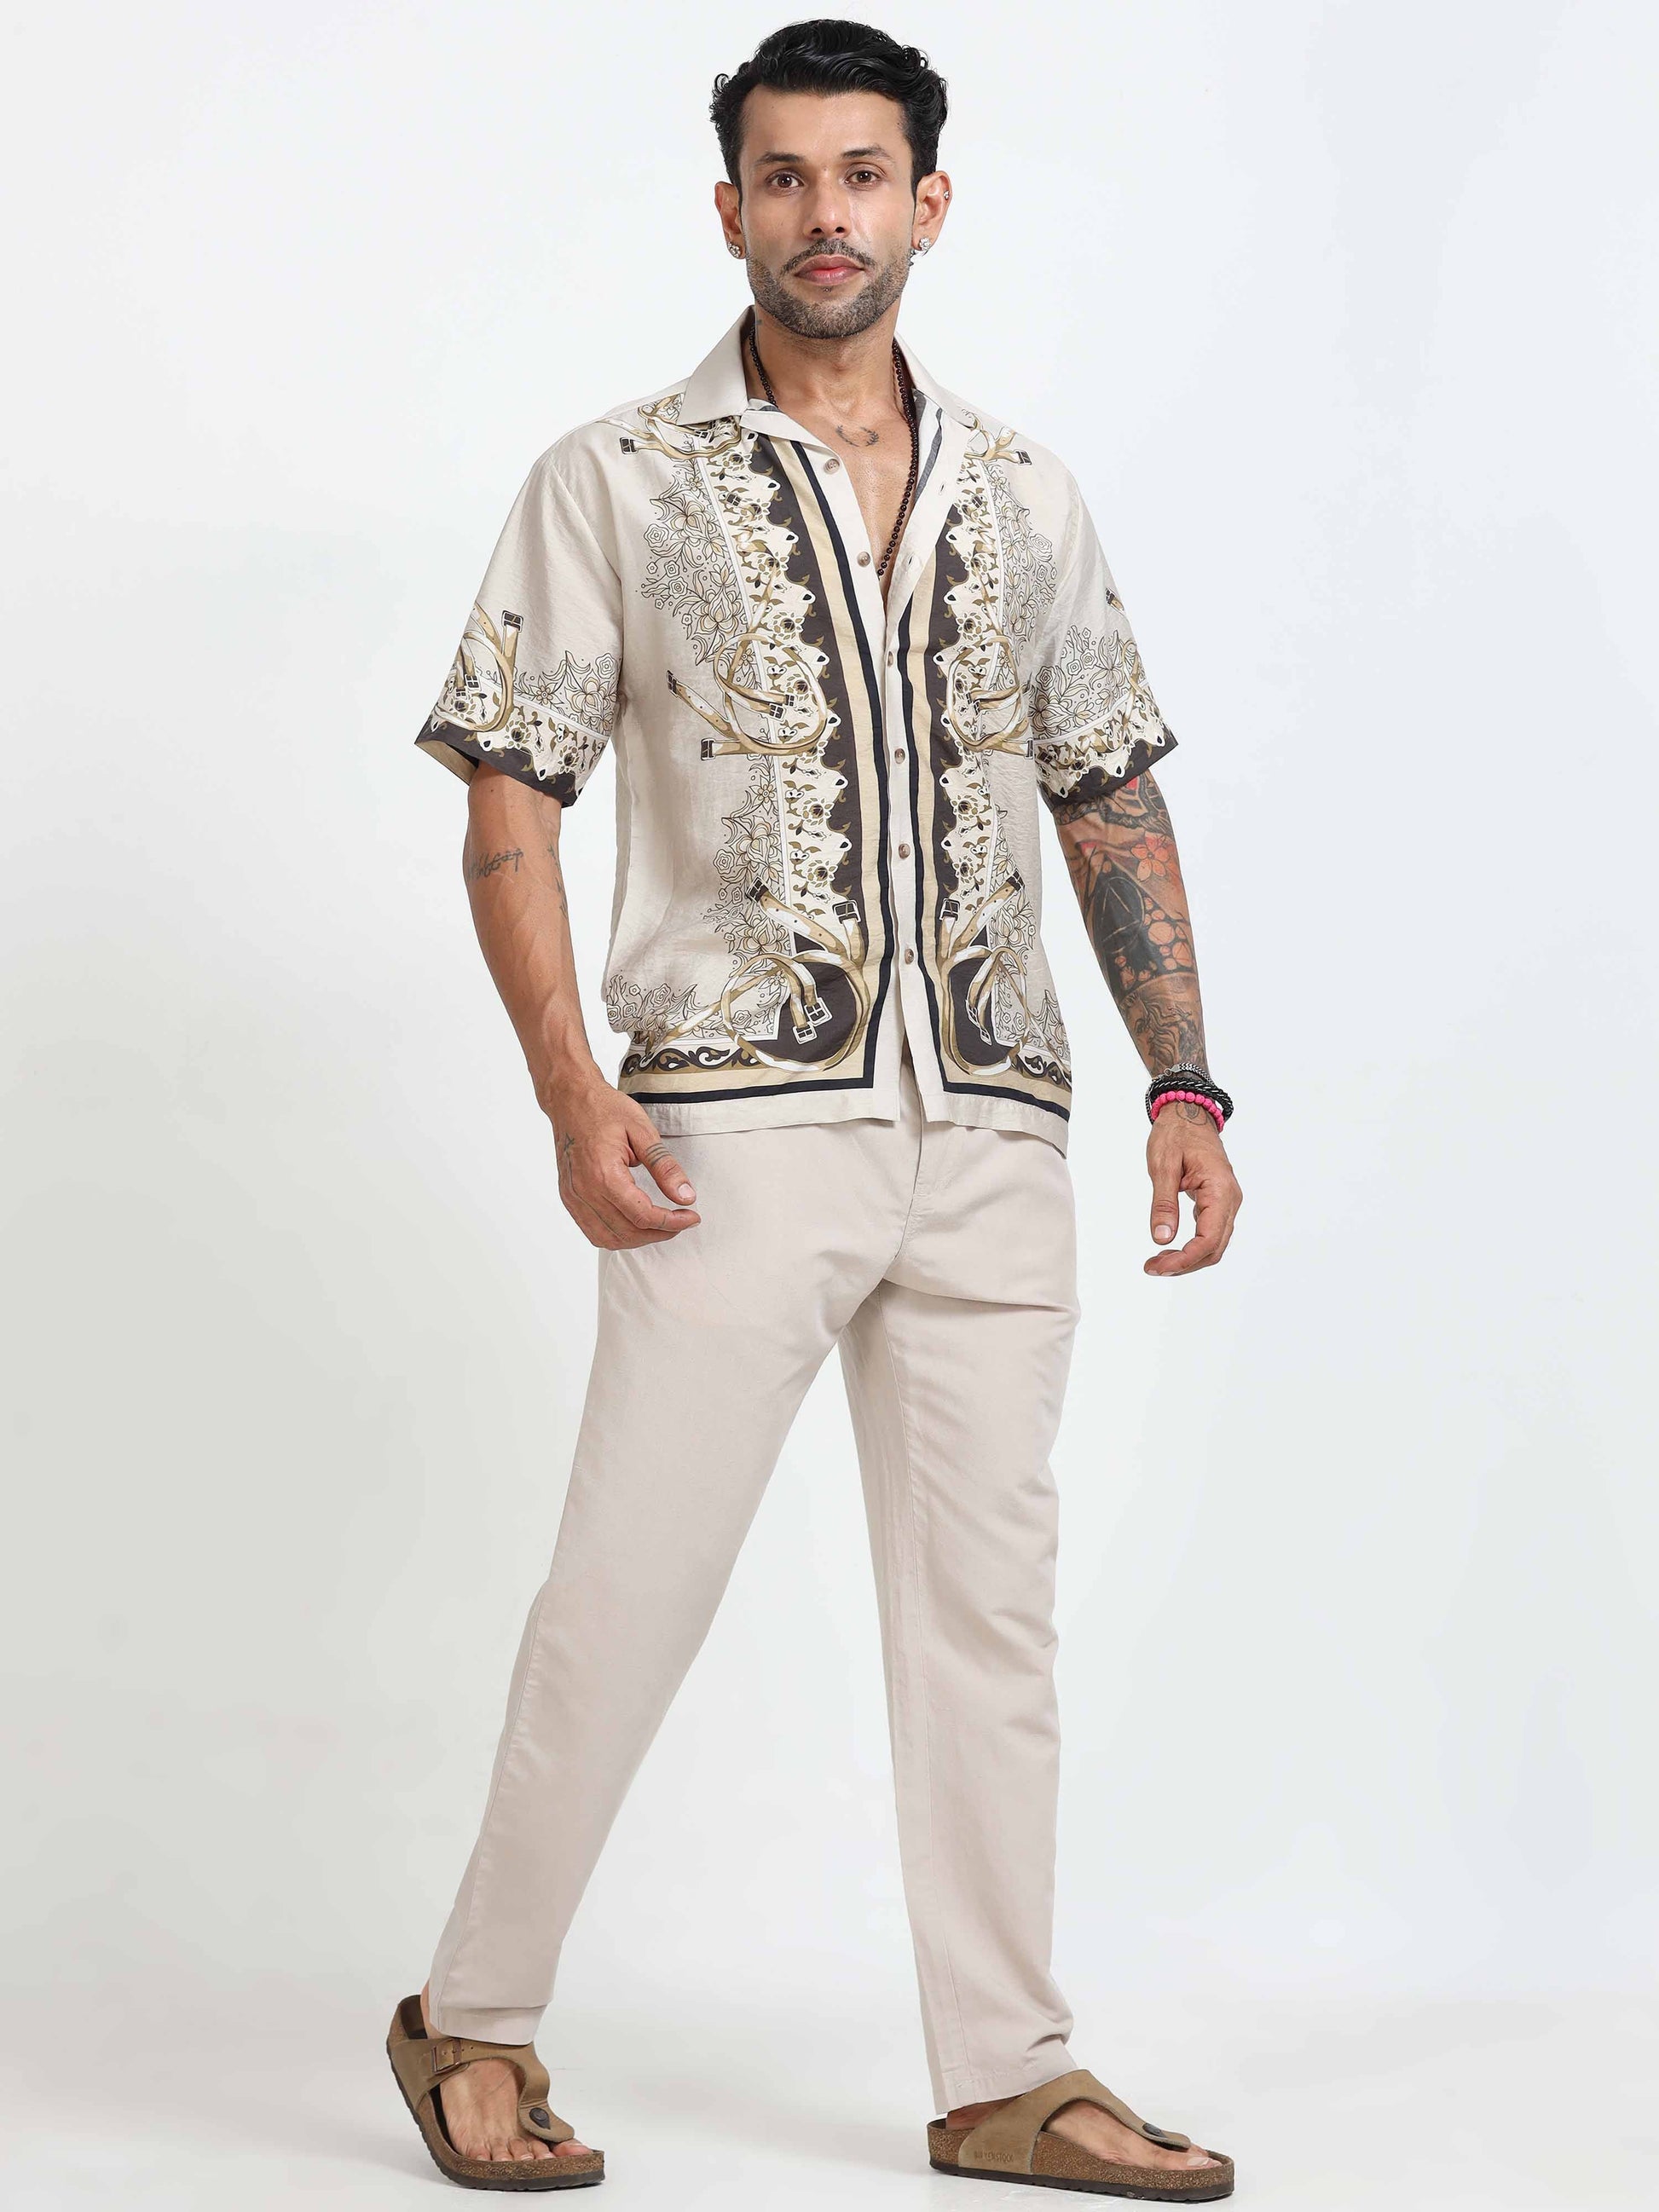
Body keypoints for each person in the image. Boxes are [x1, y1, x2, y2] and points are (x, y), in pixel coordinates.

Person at [386, 19, 1243, 2200]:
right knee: (631, 1584)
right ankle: (472, 2013)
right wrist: (568, 1092)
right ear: (731, 211)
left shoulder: (1028, 491)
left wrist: (1182, 1075)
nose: (826, 214)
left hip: (997, 1120)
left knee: (990, 1621)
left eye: (864, 174)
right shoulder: (615, 477)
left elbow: (1105, 789)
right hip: (731, 1128)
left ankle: (1005, 2069)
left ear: (927, 202)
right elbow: (510, 799)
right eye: (784, 177)